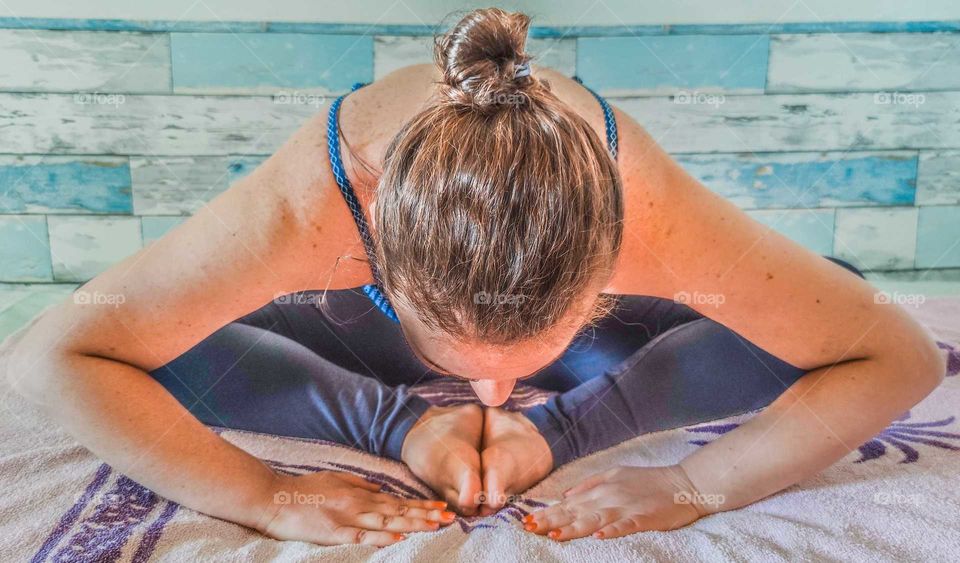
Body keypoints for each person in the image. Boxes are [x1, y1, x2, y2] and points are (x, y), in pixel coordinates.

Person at [6, 8, 944, 547]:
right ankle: (410, 419)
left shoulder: (646, 208)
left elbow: (893, 355)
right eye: (463, 369)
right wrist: (260, 493)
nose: (495, 390)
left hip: (593, 320)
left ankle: (561, 421)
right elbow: (54, 355)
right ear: (370, 244)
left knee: (832, 297)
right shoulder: (314, 210)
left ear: (614, 258)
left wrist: (699, 485)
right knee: (143, 358)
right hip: (346, 314)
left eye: (512, 371)